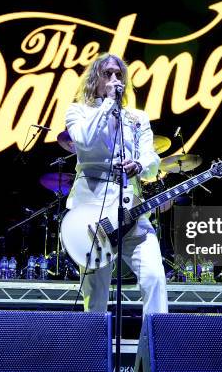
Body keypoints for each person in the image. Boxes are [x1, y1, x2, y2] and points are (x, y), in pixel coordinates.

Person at [64, 53, 168, 314]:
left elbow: (152, 159)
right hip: (91, 213)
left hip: (131, 209)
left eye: (119, 74)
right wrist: (108, 104)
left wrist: (140, 165)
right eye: (107, 74)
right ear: (94, 79)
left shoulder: (137, 118)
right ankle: (96, 353)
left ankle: (153, 352)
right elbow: (84, 142)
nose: (114, 79)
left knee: (155, 278)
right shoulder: (78, 111)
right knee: (96, 295)